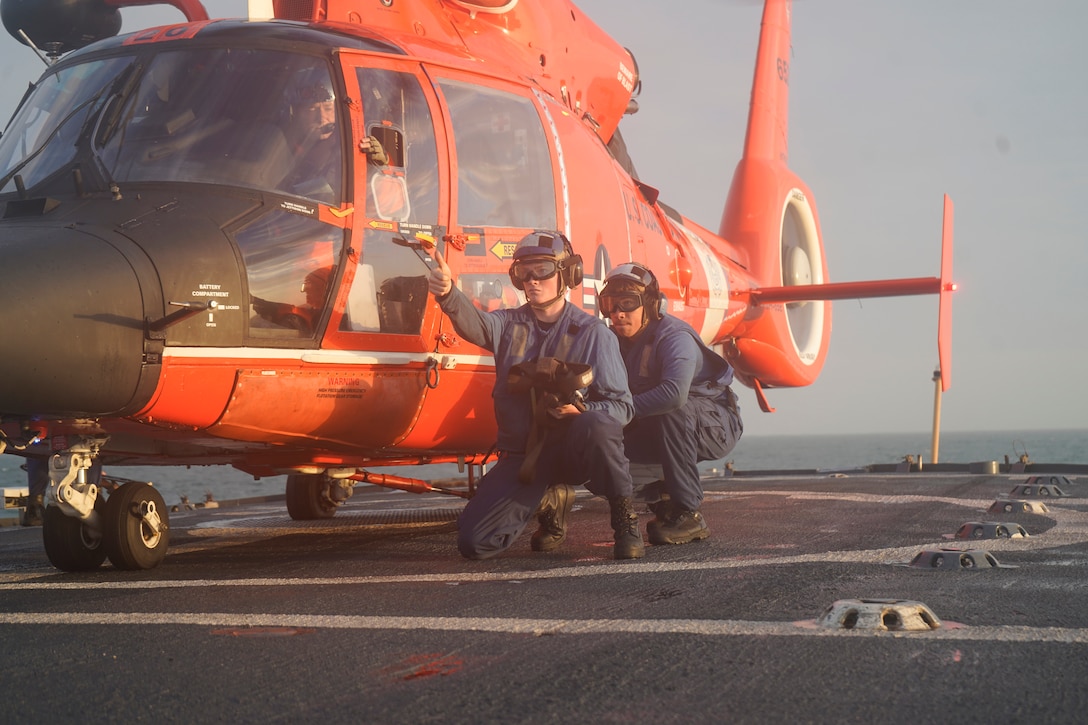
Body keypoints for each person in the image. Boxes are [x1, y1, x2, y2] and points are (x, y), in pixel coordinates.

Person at [427, 232, 644, 560]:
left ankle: (624, 517)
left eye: (541, 270)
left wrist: (582, 410)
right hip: (524, 456)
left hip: (573, 450)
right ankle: (548, 499)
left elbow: (622, 407)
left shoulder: (593, 333)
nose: (531, 280)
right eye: (522, 273)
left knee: (599, 425)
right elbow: (476, 325)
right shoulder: (506, 325)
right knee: (474, 543)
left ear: (567, 275)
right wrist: (447, 294)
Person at [598, 263, 743, 545]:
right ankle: (664, 494)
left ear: (651, 305)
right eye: (610, 305)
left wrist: (617, 412)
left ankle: (689, 514)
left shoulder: (673, 337)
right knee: (598, 453)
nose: (618, 313)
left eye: (627, 304)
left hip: (712, 423)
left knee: (670, 410)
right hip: (657, 425)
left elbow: (674, 395)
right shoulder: (614, 341)